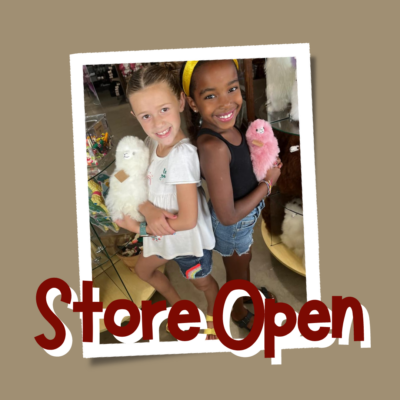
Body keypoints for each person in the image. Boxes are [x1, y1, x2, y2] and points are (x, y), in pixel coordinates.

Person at [115, 63, 219, 340]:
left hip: (186, 244)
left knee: (202, 282)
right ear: (134, 116)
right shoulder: (152, 143)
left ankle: (213, 312)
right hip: (162, 238)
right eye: (146, 116)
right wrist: (118, 182)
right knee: (143, 270)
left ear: (181, 101)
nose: (158, 124)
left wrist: (139, 229)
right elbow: (133, 172)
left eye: (164, 109)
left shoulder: (182, 156)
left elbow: (187, 220)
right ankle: (180, 307)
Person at [180, 59, 282, 331]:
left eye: (232, 89)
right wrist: (268, 184)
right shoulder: (213, 145)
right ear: (192, 103)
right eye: (210, 95)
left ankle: (244, 292)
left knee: (244, 261)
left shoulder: (228, 126)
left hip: (245, 219)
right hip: (235, 225)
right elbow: (227, 216)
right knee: (236, 273)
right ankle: (237, 310)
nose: (226, 103)